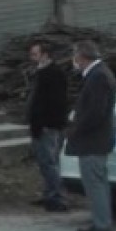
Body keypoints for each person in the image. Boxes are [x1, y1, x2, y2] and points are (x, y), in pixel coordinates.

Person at [68, 40, 116, 231]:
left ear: (82, 56)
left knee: (95, 183)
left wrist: (75, 129)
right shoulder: (98, 74)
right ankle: (99, 221)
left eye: (75, 56)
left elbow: (95, 112)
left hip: (93, 139)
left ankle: (103, 225)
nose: (74, 61)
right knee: (95, 183)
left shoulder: (98, 77)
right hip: (95, 138)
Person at [27, 40, 70, 212]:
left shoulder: (52, 74)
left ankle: (56, 197)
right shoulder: (41, 73)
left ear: (45, 55)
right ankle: (49, 193)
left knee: (49, 161)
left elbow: (54, 102)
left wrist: (46, 123)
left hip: (48, 126)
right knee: (46, 162)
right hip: (43, 125)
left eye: (35, 54)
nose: (32, 58)